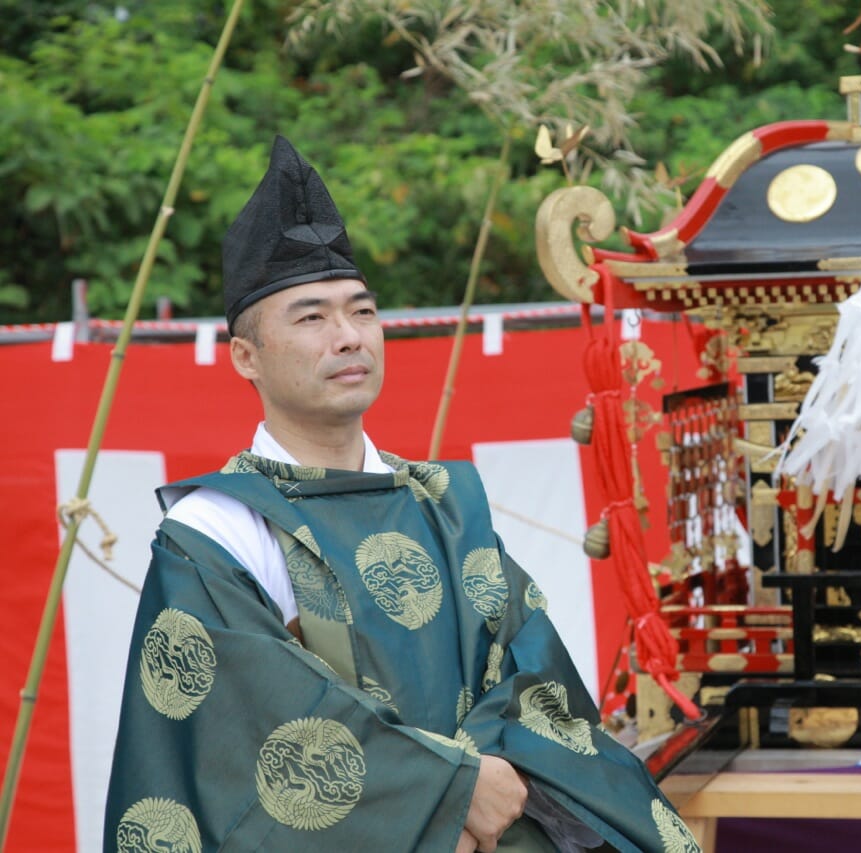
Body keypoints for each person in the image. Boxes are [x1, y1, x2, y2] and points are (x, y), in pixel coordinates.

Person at [104, 136, 700, 853]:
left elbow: (530, 674)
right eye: (311, 317)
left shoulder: (445, 502)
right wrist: (444, 794)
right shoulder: (220, 530)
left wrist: (480, 788)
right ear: (245, 356)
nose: (348, 336)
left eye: (361, 311)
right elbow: (246, 734)